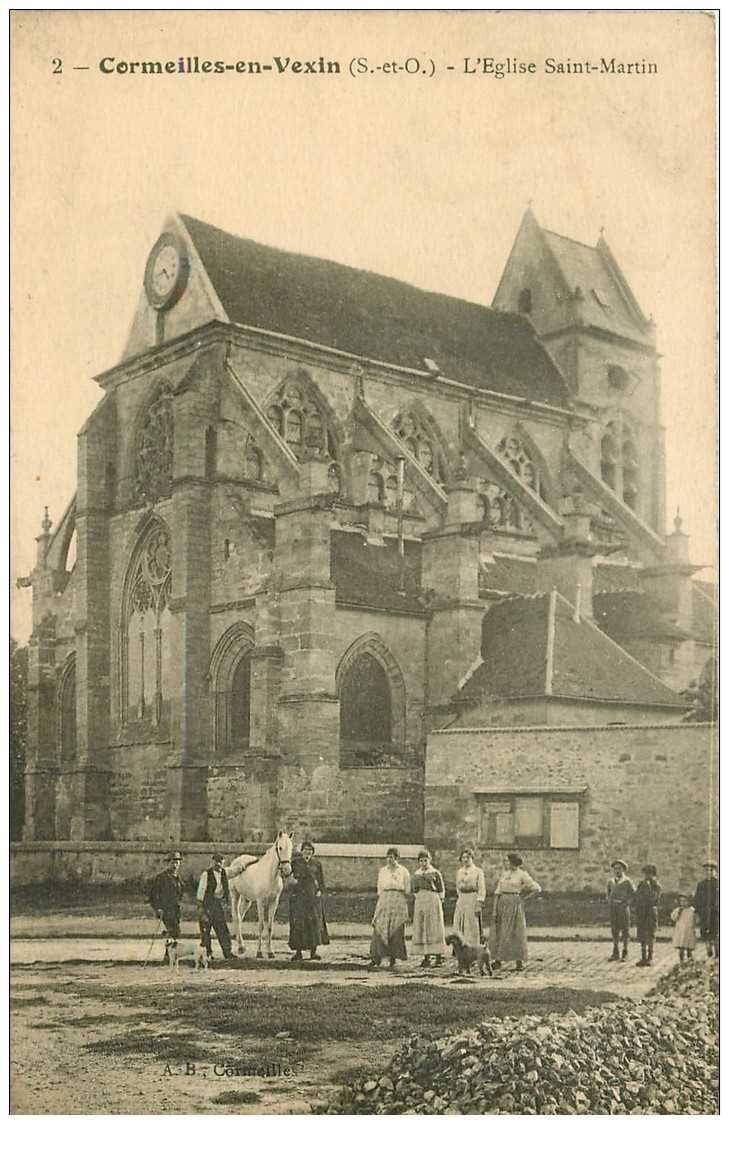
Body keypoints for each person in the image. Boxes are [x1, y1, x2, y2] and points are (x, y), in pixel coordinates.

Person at [491, 853, 541, 973]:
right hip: (502, 903)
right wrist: (494, 909)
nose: (505, 863)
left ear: (513, 862)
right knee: (501, 930)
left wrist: (523, 898)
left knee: (515, 931)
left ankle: (518, 961)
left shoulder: (522, 874)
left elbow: (536, 888)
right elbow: (497, 892)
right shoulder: (504, 874)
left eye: (507, 861)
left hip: (514, 904)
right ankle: (498, 959)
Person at [369, 847, 411, 970]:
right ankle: (377, 957)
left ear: (397, 858)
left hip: (398, 899)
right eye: (388, 857)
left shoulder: (403, 871)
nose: (389, 860)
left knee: (396, 928)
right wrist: (383, 898)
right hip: (385, 899)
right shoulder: (383, 871)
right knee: (380, 926)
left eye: (392, 857)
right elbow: (379, 888)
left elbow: (407, 889)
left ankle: (393, 958)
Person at [288, 841, 329, 962]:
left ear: (313, 852)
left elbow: (321, 880)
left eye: (310, 851)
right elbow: (288, 877)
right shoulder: (295, 863)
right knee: (299, 924)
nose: (307, 852)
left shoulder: (316, 864)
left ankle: (313, 952)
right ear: (301, 851)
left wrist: (320, 891)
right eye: (305, 850)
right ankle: (298, 952)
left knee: (314, 924)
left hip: (312, 897)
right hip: (299, 897)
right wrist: (292, 882)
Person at [411, 849, 447, 968]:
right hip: (421, 900)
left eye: (425, 860)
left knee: (434, 926)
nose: (423, 863)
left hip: (433, 899)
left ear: (429, 860)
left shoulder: (435, 873)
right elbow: (414, 889)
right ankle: (426, 956)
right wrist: (419, 898)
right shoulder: (417, 874)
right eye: (421, 861)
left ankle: (438, 956)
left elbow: (441, 889)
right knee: (423, 927)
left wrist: (440, 900)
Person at [197, 852, 234, 961]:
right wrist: (201, 909)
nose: (218, 864)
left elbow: (235, 871)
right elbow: (201, 891)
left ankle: (227, 952)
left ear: (223, 863)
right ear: (213, 862)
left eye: (221, 862)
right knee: (206, 930)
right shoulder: (206, 874)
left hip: (218, 904)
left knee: (222, 929)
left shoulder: (224, 873)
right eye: (216, 862)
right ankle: (207, 953)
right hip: (207, 904)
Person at [148, 851, 185, 958]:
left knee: (175, 931)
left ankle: (170, 953)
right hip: (165, 908)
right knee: (174, 930)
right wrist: (158, 908)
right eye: (173, 862)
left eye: (177, 863)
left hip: (176, 908)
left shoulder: (178, 878)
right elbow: (153, 895)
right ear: (168, 863)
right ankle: (169, 954)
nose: (175, 865)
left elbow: (180, 892)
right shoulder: (162, 878)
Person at [453, 848, 487, 947]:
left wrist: (479, 903)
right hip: (462, 899)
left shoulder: (478, 871)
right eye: (463, 857)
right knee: (460, 922)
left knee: (471, 923)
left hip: (473, 898)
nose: (465, 860)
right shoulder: (459, 871)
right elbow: (457, 887)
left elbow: (481, 888)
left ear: (472, 858)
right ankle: (460, 947)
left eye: (467, 857)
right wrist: (461, 897)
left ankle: (472, 947)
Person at [606, 859, 635, 962]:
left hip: (623, 908)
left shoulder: (627, 881)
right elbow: (608, 894)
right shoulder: (610, 881)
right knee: (614, 929)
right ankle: (615, 951)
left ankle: (625, 951)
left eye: (619, 869)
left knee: (625, 930)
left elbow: (632, 895)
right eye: (615, 869)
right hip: (613, 909)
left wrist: (626, 903)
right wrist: (610, 902)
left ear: (623, 870)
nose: (617, 871)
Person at [633, 864, 661, 967]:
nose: (647, 876)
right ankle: (643, 956)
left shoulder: (656, 886)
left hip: (651, 912)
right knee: (642, 934)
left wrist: (647, 887)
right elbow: (636, 897)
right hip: (642, 912)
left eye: (649, 874)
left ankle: (650, 957)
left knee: (650, 934)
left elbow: (653, 899)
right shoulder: (641, 885)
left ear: (654, 875)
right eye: (645, 874)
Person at [694, 861, 719, 959]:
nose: (708, 872)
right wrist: (697, 911)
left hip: (716, 913)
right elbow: (697, 898)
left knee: (716, 933)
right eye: (706, 870)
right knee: (705, 933)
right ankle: (708, 950)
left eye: (711, 870)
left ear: (715, 871)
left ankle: (718, 953)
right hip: (704, 913)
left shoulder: (718, 884)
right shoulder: (701, 885)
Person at [670, 893, 697, 963]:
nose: (683, 903)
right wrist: (678, 913)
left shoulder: (692, 910)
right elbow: (673, 918)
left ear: (689, 902)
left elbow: (696, 919)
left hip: (689, 931)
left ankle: (690, 961)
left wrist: (694, 925)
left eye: (685, 901)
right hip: (680, 930)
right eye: (681, 901)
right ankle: (681, 961)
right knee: (681, 948)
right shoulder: (678, 910)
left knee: (689, 949)